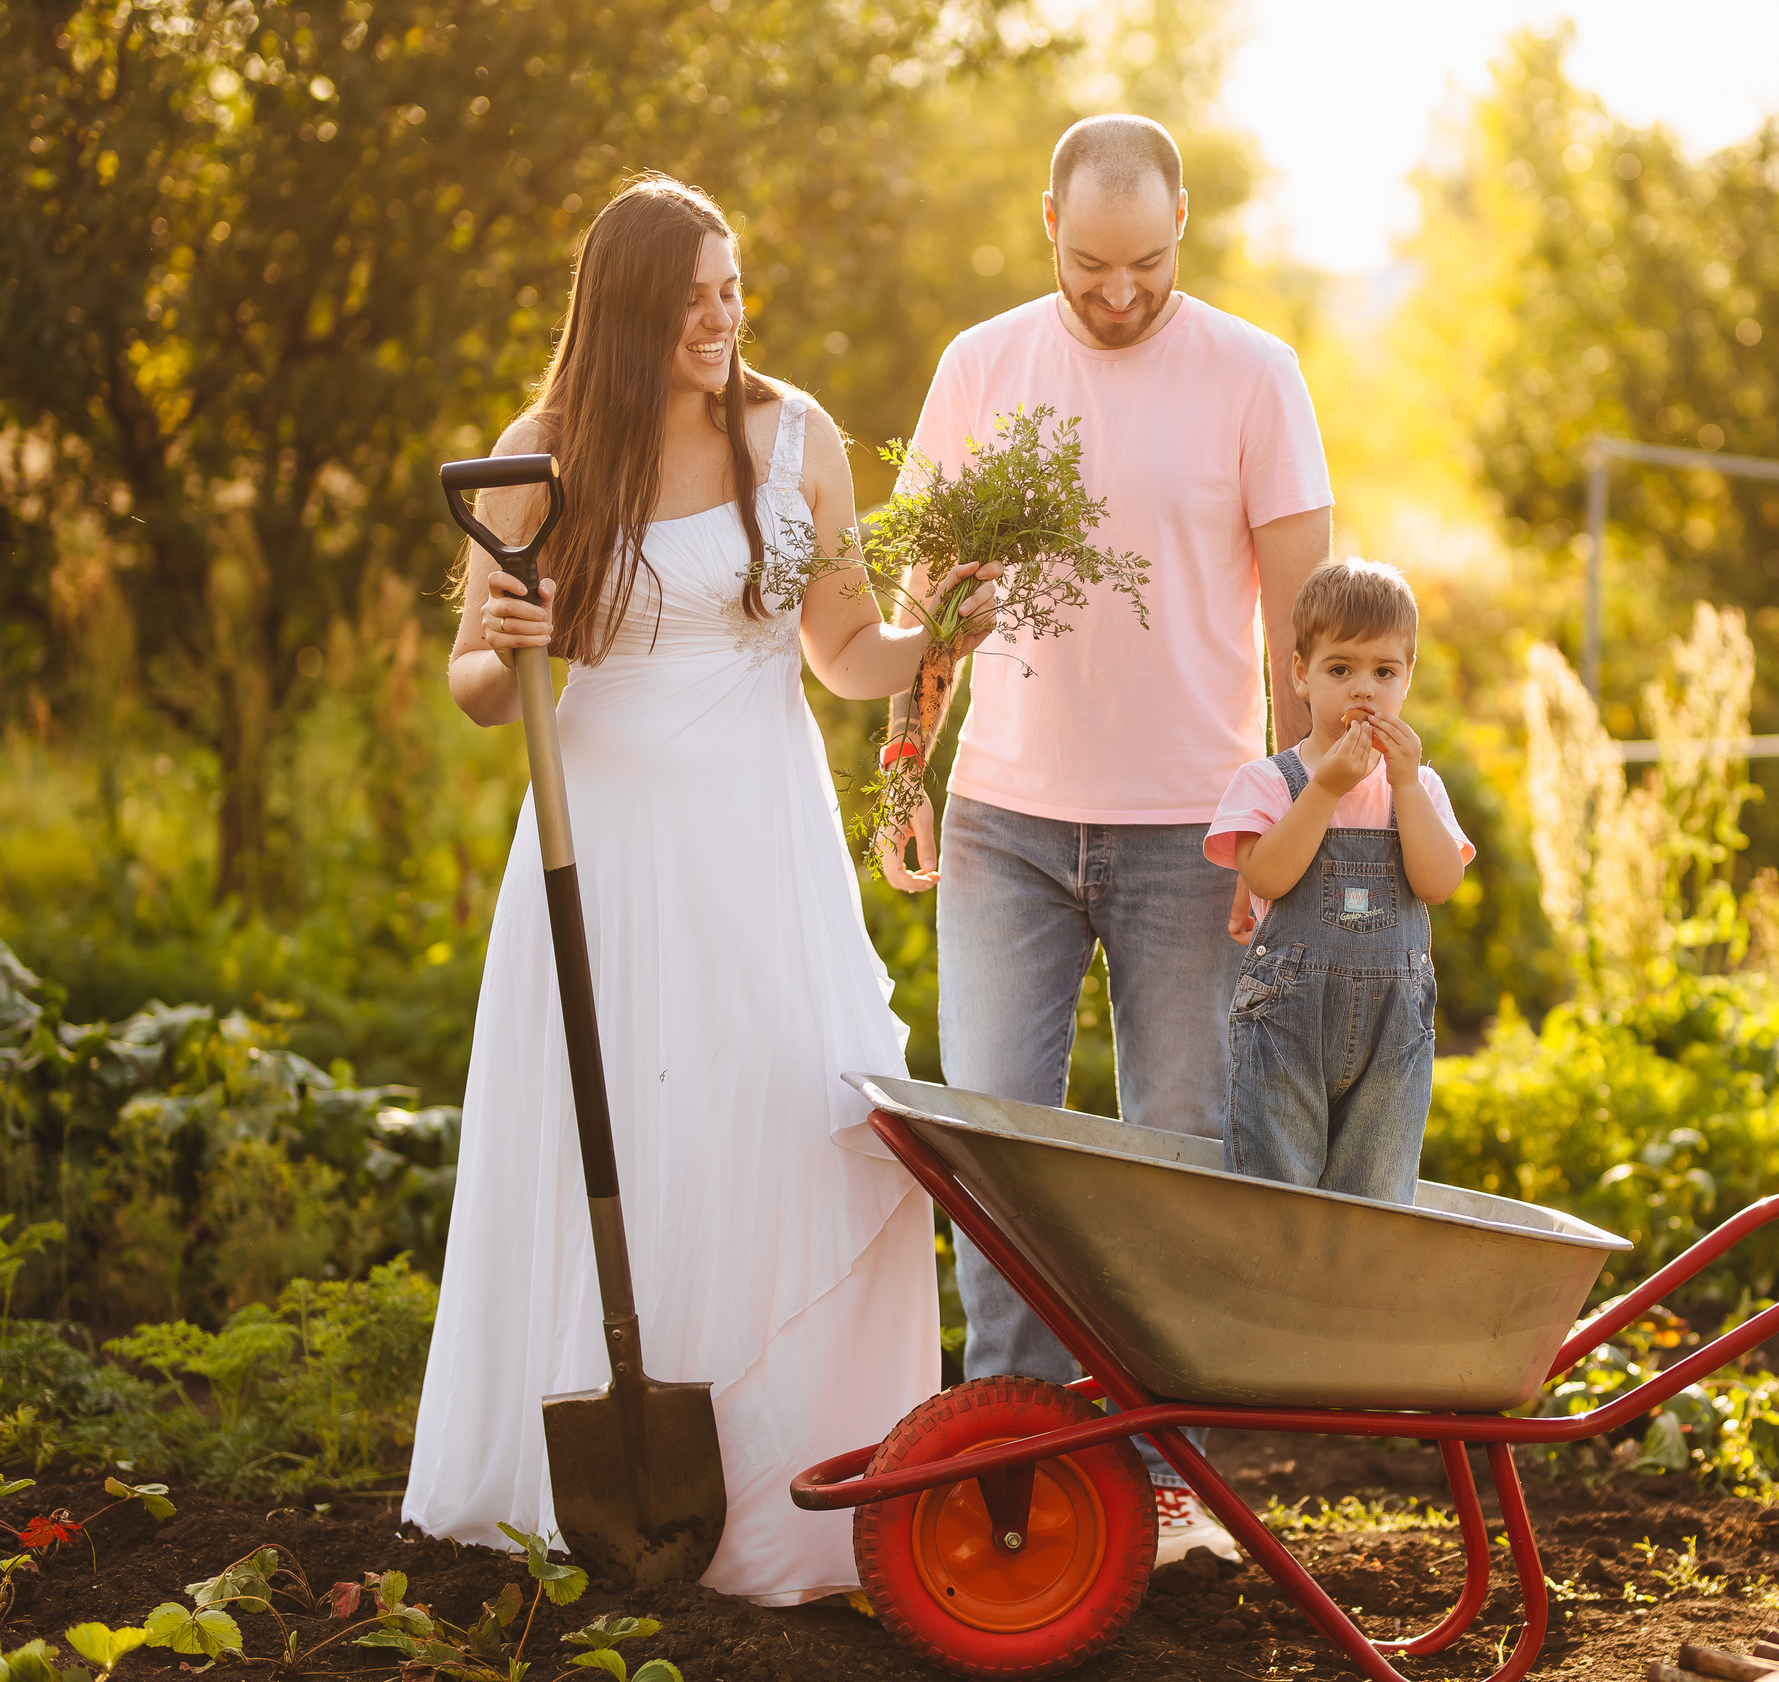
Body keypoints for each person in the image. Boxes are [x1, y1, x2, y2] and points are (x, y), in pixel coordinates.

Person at [406, 173, 997, 1605]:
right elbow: (484, 685)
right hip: (597, 835)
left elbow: (844, 649)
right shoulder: (543, 450)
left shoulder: (792, 438)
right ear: (624, 309)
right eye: (689, 300)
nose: (721, 319)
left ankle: (795, 1493)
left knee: (800, 1107)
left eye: (732, 289)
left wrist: (941, 635)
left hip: (759, 832)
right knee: (615, 1132)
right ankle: (596, 1483)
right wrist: (507, 637)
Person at [875, 114, 1332, 1564]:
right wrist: (903, 762)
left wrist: (1288, 825)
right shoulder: (981, 365)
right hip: (1007, 818)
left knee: (1170, 1163)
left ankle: (1158, 1469)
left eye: (1144, 264)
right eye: (1088, 264)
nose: (1117, 293)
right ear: (1047, 226)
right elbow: (928, 598)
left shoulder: (1255, 374)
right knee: (996, 1149)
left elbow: (1313, 640)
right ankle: (1010, 1459)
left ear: (1183, 222)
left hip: (1189, 836)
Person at [1207, 560, 1472, 1203]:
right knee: (1277, 1192)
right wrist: (1326, 788)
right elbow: (1266, 874)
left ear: (1408, 679)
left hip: (1392, 1038)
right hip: (1286, 1031)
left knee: (1374, 1196)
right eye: (1340, 669)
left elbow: (1437, 884)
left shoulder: (1419, 787)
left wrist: (1405, 783)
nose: (1364, 691)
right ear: (1301, 674)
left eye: (1384, 672)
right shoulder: (1272, 782)